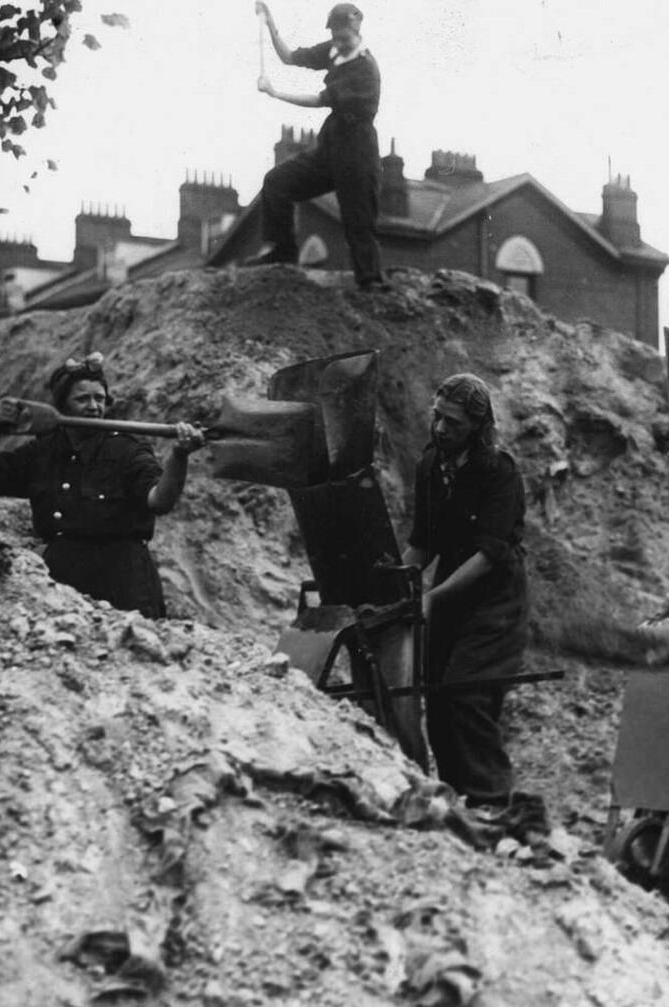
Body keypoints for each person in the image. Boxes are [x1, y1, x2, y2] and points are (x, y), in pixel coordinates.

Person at [0, 353, 204, 619]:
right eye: (82, 399)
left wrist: (180, 456)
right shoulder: (43, 450)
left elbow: (160, 500)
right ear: (62, 405)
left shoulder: (126, 450)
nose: (93, 406)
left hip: (123, 582)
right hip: (62, 582)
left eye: (99, 399)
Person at [403, 374, 529, 807]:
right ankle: (458, 801)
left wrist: (431, 599)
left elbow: (490, 553)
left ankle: (492, 801)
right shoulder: (430, 465)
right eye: (437, 417)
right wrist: (396, 586)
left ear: (476, 426)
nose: (440, 429)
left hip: (495, 602)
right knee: (436, 697)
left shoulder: (499, 471)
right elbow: (423, 542)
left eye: (452, 423)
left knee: (466, 694)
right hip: (450, 595)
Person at [248, 2, 385, 290]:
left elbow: (319, 101)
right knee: (277, 182)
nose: (338, 43)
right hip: (331, 143)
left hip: (357, 148)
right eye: (334, 36)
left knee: (358, 217)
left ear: (357, 30)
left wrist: (275, 93)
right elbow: (288, 57)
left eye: (344, 38)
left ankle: (370, 280)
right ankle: (283, 252)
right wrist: (270, 22)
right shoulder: (334, 50)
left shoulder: (365, 68)